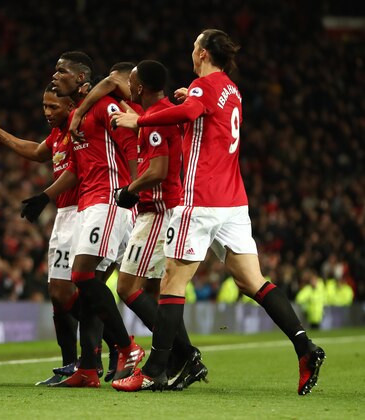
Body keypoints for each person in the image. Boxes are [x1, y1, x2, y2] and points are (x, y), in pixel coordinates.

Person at [110, 29, 325, 395]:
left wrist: (139, 121)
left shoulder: (201, 87)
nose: (191, 53)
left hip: (202, 199)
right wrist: (188, 99)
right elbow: (201, 113)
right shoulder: (231, 89)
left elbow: (194, 107)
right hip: (234, 202)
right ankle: (305, 347)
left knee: (171, 283)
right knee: (252, 282)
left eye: (194, 47)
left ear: (205, 53)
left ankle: (155, 370)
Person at [71, 60, 208, 389]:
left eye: (132, 83)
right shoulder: (150, 114)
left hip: (159, 211)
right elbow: (111, 81)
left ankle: (180, 356)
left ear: (141, 87)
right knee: (153, 292)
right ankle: (182, 357)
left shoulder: (155, 120)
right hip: (159, 209)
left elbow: (158, 170)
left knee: (127, 287)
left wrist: (129, 190)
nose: (127, 87)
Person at [21, 51, 143, 388]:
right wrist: (45, 196)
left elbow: (130, 141)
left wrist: (134, 187)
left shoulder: (104, 105)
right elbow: (75, 167)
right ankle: (88, 368)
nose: (56, 74)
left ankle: (128, 347)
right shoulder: (79, 114)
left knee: (84, 276)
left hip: (109, 199)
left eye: (62, 71)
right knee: (87, 287)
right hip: (90, 202)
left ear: (81, 79)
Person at [0, 84, 83, 385]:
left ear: (69, 104)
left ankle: (105, 349)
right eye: (44, 106)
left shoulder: (80, 124)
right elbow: (38, 152)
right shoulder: (58, 133)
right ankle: (71, 363)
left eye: (53, 107)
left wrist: (45, 195)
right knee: (59, 293)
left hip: (88, 210)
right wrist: (0, 135)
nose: (47, 112)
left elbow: (80, 169)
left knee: (85, 288)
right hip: (64, 216)